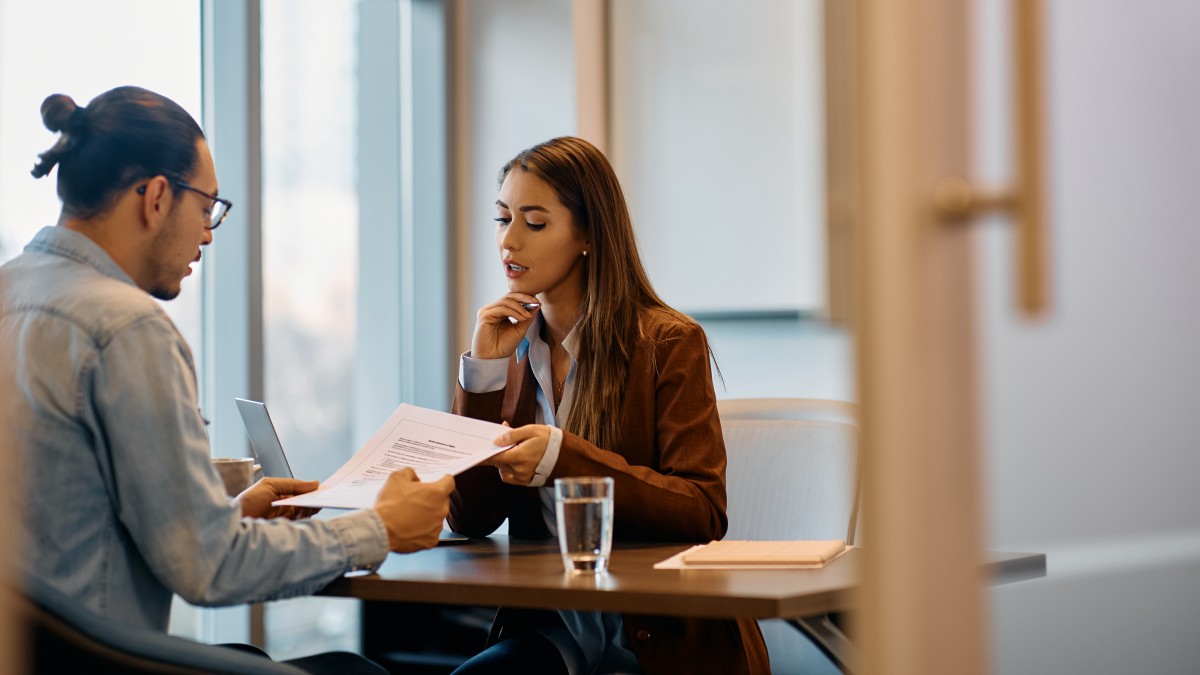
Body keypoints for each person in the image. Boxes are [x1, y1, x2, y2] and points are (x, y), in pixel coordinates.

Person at [0, 86, 455, 672]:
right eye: (207, 206)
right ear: (158, 197)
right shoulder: (126, 327)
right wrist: (380, 528)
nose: (210, 234)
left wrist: (231, 514)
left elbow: (66, 522)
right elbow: (207, 567)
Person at [447, 137, 769, 674]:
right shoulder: (511, 349)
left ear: (588, 234)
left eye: (534, 222)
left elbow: (703, 511)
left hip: (658, 636)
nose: (508, 241)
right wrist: (482, 371)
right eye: (502, 219)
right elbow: (471, 518)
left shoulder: (667, 342)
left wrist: (562, 459)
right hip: (557, 629)